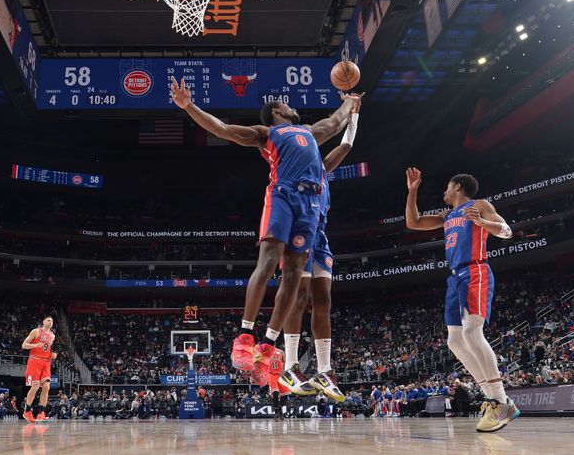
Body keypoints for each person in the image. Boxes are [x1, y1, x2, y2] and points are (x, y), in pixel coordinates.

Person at [170, 77, 360, 378]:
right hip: (284, 194)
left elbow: (336, 124)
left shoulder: (310, 132)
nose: (291, 105)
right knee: (270, 261)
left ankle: (269, 343)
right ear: (275, 111)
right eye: (285, 103)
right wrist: (189, 105)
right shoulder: (267, 133)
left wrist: (350, 103)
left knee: (295, 275)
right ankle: (244, 337)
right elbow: (221, 129)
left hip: (311, 203)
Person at [405, 168, 520, 432]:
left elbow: (507, 231)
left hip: (475, 270)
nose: (444, 191)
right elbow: (413, 222)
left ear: (458, 187)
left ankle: (500, 401)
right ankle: (495, 398)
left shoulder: (479, 205)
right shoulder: (447, 215)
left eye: (447, 186)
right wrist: (412, 192)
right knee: (455, 340)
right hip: (455, 277)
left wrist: (481, 222)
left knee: (471, 331)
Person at [278, 106, 361, 397]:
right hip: (299, 227)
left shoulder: (324, 169)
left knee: (323, 300)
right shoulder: (298, 170)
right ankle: (290, 365)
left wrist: (355, 114)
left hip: (320, 233)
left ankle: (324, 371)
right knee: (299, 296)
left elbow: (347, 145)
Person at [21, 316, 57, 423]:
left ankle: (41, 413)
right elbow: (24, 345)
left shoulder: (52, 336)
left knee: (46, 387)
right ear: (43, 321)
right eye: (48, 320)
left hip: (46, 362)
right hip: (35, 360)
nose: (50, 322)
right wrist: (36, 345)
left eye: (52, 321)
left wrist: (52, 355)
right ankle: (27, 411)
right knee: (35, 386)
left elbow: (47, 349)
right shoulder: (36, 331)